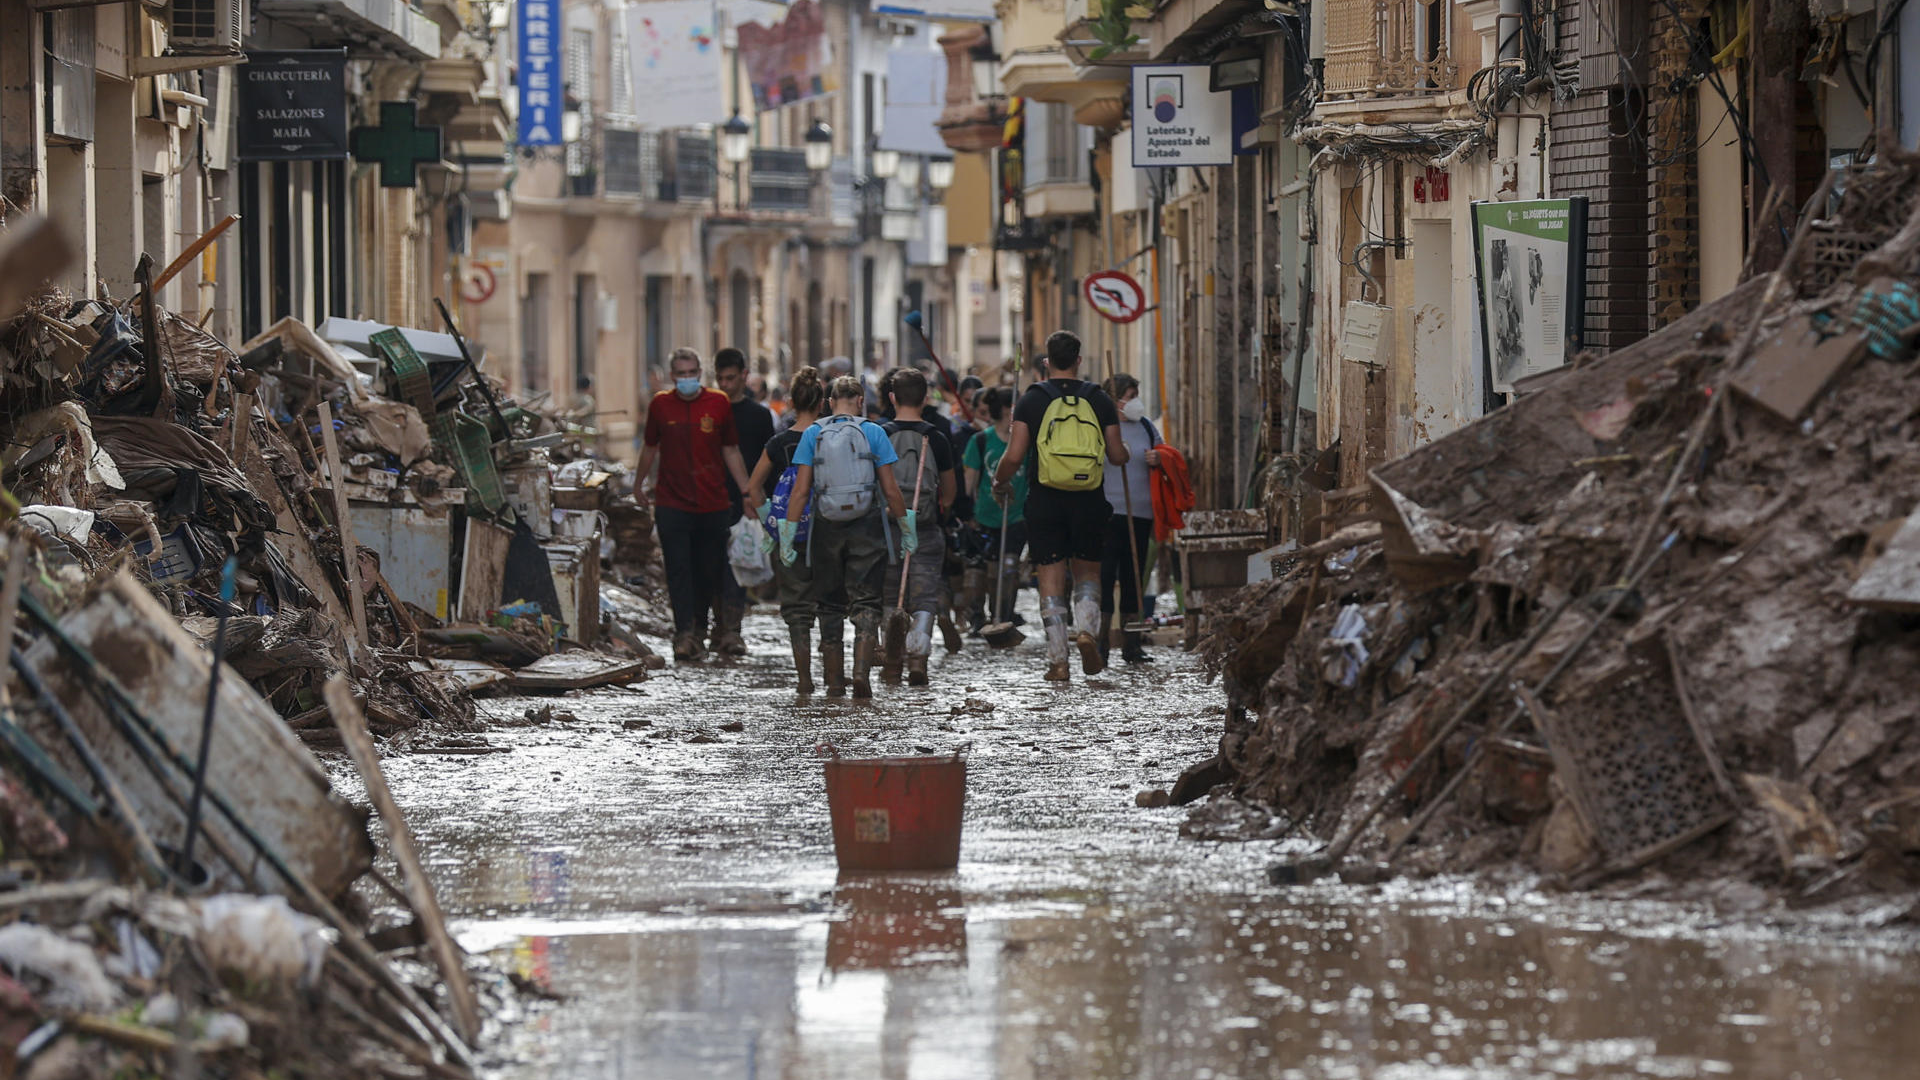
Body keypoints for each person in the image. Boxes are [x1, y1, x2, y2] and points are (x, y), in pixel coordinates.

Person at [990, 330, 1129, 682]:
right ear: (1079, 360)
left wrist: (999, 480)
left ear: (1047, 362)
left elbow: (1014, 456)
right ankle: (1086, 630)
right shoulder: (1098, 399)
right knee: (1088, 574)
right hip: (1089, 498)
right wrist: (1126, 450)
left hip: (1046, 500)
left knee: (1050, 580)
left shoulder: (1032, 399)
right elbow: (1116, 455)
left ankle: (1059, 661)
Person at [777, 376, 911, 699]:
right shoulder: (874, 432)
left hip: (826, 526)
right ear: (861, 401)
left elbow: (800, 491)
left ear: (829, 402)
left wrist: (787, 535)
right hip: (867, 524)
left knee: (829, 603)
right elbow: (891, 490)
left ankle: (835, 683)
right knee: (867, 600)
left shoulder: (813, 433)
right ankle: (861, 672)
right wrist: (907, 530)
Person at [634, 347, 754, 663]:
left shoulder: (718, 403)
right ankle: (684, 634)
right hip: (672, 501)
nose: (687, 379)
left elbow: (731, 450)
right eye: (681, 374)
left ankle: (706, 629)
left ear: (700, 374)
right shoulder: (661, 405)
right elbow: (649, 447)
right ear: (673, 376)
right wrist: (638, 483)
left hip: (712, 503)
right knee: (678, 570)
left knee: (708, 570)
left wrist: (746, 491)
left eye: (692, 373)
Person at [746, 367, 826, 693]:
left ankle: (804, 678)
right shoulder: (829, 437)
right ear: (822, 403)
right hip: (828, 533)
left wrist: (771, 524)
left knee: (796, 608)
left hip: (789, 535)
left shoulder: (778, 443)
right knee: (831, 605)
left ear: (791, 402)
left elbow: (753, 488)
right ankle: (837, 679)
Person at [878, 368, 957, 686]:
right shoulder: (936, 436)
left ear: (892, 398)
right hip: (926, 528)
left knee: (889, 597)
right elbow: (950, 493)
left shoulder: (879, 434)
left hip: (887, 529)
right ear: (926, 398)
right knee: (924, 597)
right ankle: (919, 660)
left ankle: (892, 663)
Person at [712, 347, 775, 656]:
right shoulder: (709, 411)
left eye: (731, 378)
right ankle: (715, 626)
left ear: (744, 376)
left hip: (745, 502)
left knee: (738, 564)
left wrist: (763, 500)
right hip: (711, 498)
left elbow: (769, 458)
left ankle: (731, 630)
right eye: (720, 378)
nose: (726, 384)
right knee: (712, 565)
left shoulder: (759, 415)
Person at [1099, 373, 1160, 665]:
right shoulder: (1100, 428)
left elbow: (1164, 454)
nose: (1135, 401)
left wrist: (1158, 460)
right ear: (1114, 400)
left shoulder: (1146, 427)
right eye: (1129, 395)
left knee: (1134, 578)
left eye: (1137, 394)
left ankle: (1131, 644)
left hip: (1141, 513)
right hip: (1109, 514)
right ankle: (1100, 643)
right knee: (1105, 576)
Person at [962, 387, 1026, 631]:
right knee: (982, 572)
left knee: (1009, 570)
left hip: (1016, 516)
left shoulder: (1024, 442)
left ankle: (1003, 616)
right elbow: (969, 481)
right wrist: (967, 515)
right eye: (1012, 407)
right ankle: (977, 617)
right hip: (985, 516)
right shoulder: (980, 441)